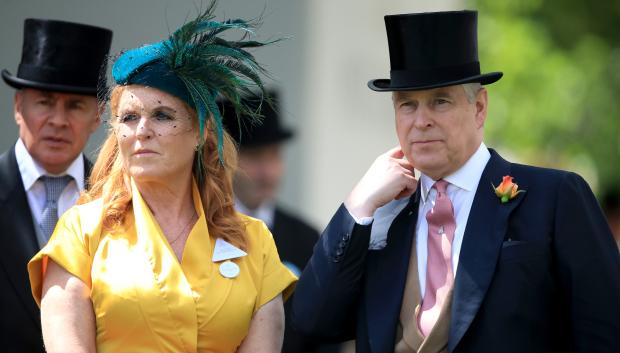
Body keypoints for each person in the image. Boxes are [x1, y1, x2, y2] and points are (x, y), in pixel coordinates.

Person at [292, 10, 620, 353]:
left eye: (440, 101)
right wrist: (357, 207)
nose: (421, 121)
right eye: (407, 105)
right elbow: (312, 321)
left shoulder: (554, 197)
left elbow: (606, 334)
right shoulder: (382, 216)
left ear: (479, 107)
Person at [27, 5, 296, 353]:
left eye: (162, 115)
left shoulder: (253, 242)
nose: (142, 131)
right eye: (128, 117)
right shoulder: (82, 233)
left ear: (200, 133)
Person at [0, 19, 112, 353]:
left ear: (99, 115)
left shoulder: (123, 201)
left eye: (75, 105)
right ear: (19, 107)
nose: (59, 120)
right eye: (45, 102)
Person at [222, 92, 341, 353]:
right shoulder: (202, 230)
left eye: (275, 156)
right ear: (225, 159)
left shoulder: (307, 237)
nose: (268, 172)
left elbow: (322, 329)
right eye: (254, 157)